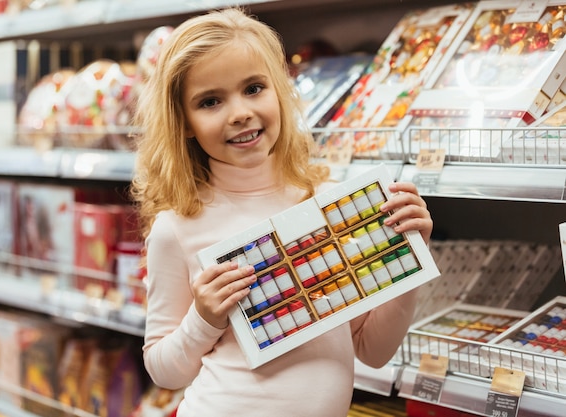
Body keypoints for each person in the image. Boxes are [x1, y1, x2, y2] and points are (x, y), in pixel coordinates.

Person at [130, 7, 433, 417]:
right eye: (211, 101)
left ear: (280, 91)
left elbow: (373, 350)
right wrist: (203, 318)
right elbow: (164, 371)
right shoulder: (179, 226)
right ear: (183, 122)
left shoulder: (328, 204)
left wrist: (408, 255)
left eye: (254, 88)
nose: (239, 112)